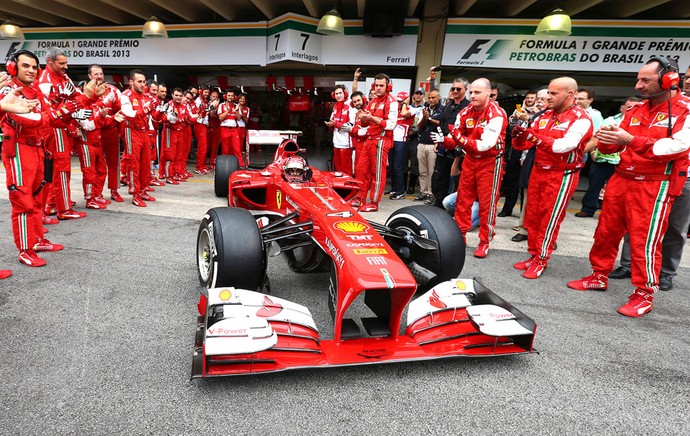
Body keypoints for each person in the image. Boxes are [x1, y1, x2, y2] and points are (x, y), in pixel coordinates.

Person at [567, 57, 689, 317]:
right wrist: (608, 140)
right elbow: (613, 144)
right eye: (638, 79)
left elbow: (673, 147)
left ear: (668, 80)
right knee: (605, 232)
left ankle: (644, 293)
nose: (639, 85)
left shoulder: (685, 110)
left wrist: (630, 139)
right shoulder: (634, 110)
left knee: (645, 240)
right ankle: (599, 276)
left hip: (654, 185)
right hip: (621, 179)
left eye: (646, 80)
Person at [1, 50, 100, 268]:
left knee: (37, 200)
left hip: (38, 149)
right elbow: (34, 120)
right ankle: (24, 249)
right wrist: (68, 108)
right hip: (19, 151)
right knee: (23, 201)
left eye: (34, 67)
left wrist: (83, 99)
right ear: (13, 67)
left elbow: (53, 118)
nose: (31, 70)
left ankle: (36, 241)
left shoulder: (34, 90)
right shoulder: (10, 90)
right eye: (25, 66)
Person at [512, 77, 593, 279]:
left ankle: (541, 259)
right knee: (533, 215)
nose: (548, 97)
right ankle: (533, 255)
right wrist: (519, 135)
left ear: (570, 94)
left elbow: (562, 146)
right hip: (539, 170)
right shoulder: (544, 115)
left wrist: (532, 136)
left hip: (562, 173)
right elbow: (526, 143)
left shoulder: (581, 118)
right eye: (548, 92)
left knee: (549, 219)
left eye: (553, 93)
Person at [432, 78, 508, 258]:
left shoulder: (496, 114)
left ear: (488, 93)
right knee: (462, 202)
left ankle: (485, 241)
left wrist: (459, 139)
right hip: (470, 160)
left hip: (490, 162)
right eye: (471, 92)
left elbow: (485, 145)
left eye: (477, 92)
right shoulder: (465, 112)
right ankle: (461, 236)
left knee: (487, 204)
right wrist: (444, 140)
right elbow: (455, 139)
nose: (472, 96)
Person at [37, 47, 88, 220]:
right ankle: (64, 209)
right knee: (61, 169)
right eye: (62, 63)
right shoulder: (45, 81)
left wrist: (72, 107)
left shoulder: (64, 77)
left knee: (59, 169)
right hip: (54, 129)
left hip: (63, 126)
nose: (66, 67)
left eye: (66, 63)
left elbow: (79, 97)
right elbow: (47, 110)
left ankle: (51, 205)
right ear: (49, 62)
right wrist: (66, 105)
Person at [575, 96, 640, 217]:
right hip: (602, 159)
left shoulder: (639, 123)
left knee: (615, 191)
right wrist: (593, 152)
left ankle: (609, 214)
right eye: (629, 107)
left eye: (636, 107)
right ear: (622, 108)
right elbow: (596, 137)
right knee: (594, 186)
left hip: (621, 162)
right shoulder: (609, 120)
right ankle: (587, 209)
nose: (633, 110)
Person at [354, 73, 398, 212]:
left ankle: (374, 202)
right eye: (376, 85)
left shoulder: (392, 102)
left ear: (388, 86)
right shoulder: (372, 102)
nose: (378, 88)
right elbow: (364, 123)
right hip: (369, 140)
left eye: (381, 85)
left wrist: (371, 118)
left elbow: (390, 125)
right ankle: (360, 198)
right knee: (361, 170)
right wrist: (363, 118)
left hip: (381, 141)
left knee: (377, 174)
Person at [510, 89, 549, 242]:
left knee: (547, 200)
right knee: (527, 195)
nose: (539, 101)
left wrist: (529, 119)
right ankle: (524, 228)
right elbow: (522, 135)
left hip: (550, 161)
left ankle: (545, 233)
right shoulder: (536, 116)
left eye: (543, 99)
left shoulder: (557, 117)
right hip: (532, 157)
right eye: (538, 98)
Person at [120, 69, 158, 206]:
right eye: (139, 81)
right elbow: (129, 114)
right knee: (133, 163)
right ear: (131, 82)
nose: (142, 84)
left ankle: (142, 190)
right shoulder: (126, 95)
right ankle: (135, 193)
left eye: (143, 81)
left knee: (145, 164)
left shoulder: (147, 97)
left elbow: (153, 117)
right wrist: (148, 109)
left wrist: (156, 109)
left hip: (144, 132)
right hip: (131, 131)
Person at [431, 77, 469, 208]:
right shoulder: (448, 105)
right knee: (439, 175)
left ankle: (455, 206)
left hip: (458, 148)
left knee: (457, 179)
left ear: (465, 90)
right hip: (444, 146)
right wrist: (439, 142)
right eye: (453, 88)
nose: (455, 91)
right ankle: (438, 203)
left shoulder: (468, 107)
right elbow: (442, 124)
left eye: (459, 89)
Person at [499, 89, 537, 217]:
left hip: (529, 150)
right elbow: (511, 127)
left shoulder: (539, 115)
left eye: (532, 98)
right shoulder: (519, 110)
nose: (530, 100)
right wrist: (515, 118)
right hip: (515, 150)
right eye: (528, 98)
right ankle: (507, 209)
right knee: (511, 181)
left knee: (525, 185)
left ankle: (523, 215)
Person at [415, 89, 443, 205]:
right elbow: (419, 127)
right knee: (422, 171)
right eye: (430, 98)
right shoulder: (426, 109)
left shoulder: (442, 110)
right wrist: (425, 117)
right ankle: (423, 192)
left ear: (438, 98)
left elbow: (442, 124)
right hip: (422, 142)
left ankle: (431, 194)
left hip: (433, 144)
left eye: (433, 98)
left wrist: (430, 119)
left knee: (432, 171)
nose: (431, 100)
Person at [325, 84, 354, 175]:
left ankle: (349, 189)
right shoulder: (335, 106)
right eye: (336, 93)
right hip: (336, 142)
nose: (338, 95)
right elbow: (332, 121)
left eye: (340, 93)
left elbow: (350, 125)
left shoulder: (350, 105)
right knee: (338, 170)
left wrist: (335, 124)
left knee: (347, 170)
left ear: (345, 93)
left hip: (346, 144)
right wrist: (330, 125)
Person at [389, 91, 413, 199]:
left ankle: (400, 191)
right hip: (392, 140)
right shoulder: (395, 111)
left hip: (402, 142)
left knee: (398, 167)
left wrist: (405, 104)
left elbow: (404, 114)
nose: (399, 103)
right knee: (392, 166)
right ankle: (394, 189)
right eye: (398, 101)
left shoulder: (410, 110)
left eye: (401, 101)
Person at [405, 87, 426, 194]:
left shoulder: (425, 109)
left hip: (416, 138)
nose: (418, 95)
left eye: (420, 94)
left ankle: (411, 186)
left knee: (414, 164)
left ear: (423, 96)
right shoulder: (407, 107)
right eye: (416, 93)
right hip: (405, 138)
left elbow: (423, 123)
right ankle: (402, 186)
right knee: (403, 163)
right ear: (413, 95)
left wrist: (414, 131)